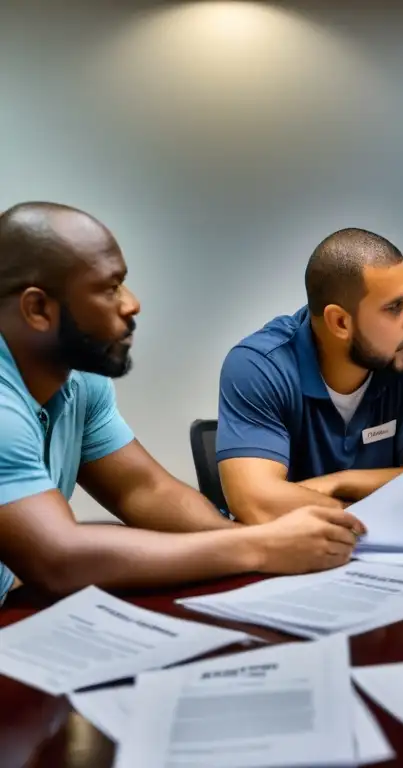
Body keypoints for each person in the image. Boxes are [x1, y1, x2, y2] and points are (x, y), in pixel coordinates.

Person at [0, 202, 366, 604]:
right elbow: (59, 559)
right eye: (110, 287)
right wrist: (261, 547)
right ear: (37, 309)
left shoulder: (81, 380)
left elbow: (144, 491)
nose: (132, 303)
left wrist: (263, 543)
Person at [216, 228, 403, 522]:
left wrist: (337, 482)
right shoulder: (260, 367)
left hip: (395, 560)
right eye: (395, 307)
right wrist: (357, 514)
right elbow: (256, 503)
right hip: (292, 560)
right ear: (340, 322)